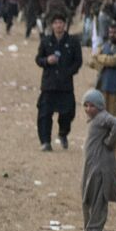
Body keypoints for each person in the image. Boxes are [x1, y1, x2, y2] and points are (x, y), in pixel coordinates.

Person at [76, 89, 116, 231]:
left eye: (92, 106)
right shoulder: (96, 119)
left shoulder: (103, 116)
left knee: (97, 201)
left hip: (100, 168)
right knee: (88, 199)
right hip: (92, 167)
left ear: (100, 106)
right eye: (86, 105)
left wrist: (110, 142)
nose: (88, 109)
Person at [35, 14, 83, 151]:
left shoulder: (73, 42)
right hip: (49, 83)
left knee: (68, 113)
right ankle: (45, 141)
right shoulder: (46, 41)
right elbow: (38, 59)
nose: (58, 25)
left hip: (65, 84)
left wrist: (68, 72)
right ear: (52, 25)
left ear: (65, 24)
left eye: (60, 22)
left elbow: (78, 61)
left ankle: (63, 133)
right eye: (55, 23)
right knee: (44, 113)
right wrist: (46, 61)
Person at [88, 20, 116, 163]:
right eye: (111, 32)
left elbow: (113, 61)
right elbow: (92, 63)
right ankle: (103, 152)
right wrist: (101, 59)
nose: (112, 35)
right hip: (103, 88)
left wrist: (99, 58)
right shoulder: (106, 45)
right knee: (102, 122)